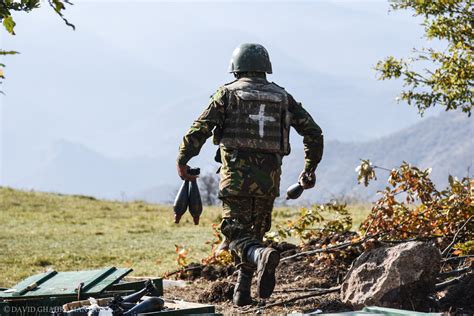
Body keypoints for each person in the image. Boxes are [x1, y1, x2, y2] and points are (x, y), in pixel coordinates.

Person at [176, 43, 324, 306]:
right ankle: (242, 294)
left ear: (236, 68)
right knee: (253, 235)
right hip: (269, 181)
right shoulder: (283, 97)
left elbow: (200, 128)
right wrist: (309, 169)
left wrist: (183, 159)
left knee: (234, 235)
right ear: (265, 68)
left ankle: (263, 257)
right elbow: (313, 132)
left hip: (236, 178)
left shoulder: (227, 94)